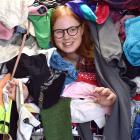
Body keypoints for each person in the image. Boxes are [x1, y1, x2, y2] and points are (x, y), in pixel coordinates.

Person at [6, 5, 117, 140]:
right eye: (59, 31)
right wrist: (24, 94)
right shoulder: (44, 61)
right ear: (52, 34)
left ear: (82, 29)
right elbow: (35, 101)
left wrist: (110, 101)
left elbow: (120, 99)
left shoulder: (99, 62)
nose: (66, 37)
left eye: (72, 29)